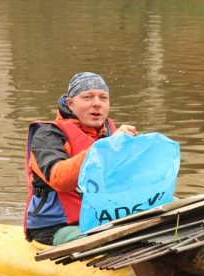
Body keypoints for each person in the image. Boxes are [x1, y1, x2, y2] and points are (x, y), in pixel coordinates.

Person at [24, 72, 138, 245]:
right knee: (106, 241)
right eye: (87, 97)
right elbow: (60, 179)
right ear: (70, 104)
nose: (97, 104)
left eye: (103, 98)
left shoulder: (110, 133)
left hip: (102, 220)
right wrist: (104, 148)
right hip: (56, 226)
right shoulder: (47, 135)